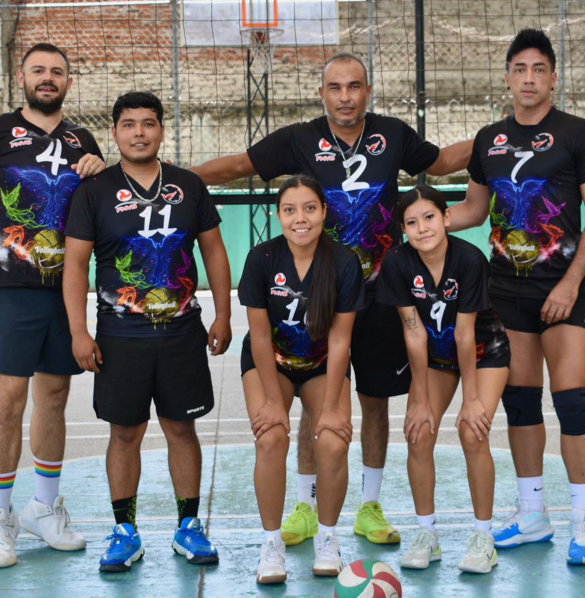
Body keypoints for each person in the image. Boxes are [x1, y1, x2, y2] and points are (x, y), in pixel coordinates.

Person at [192, 52, 473, 546]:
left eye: (354, 86)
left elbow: (445, 163)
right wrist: (173, 176)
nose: (345, 97)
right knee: (313, 398)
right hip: (321, 292)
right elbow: (237, 165)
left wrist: (501, 136)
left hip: (382, 294)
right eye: (336, 88)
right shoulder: (300, 139)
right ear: (321, 93)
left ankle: (369, 505)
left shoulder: (393, 135)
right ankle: (305, 505)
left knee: (375, 402)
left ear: (368, 92)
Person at [447, 29, 585, 565]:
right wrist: (423, 221)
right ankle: (532, 514)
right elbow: (474, 211)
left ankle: (584, 524)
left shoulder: (579, 134)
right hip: (506, 293)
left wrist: (571, 282)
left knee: (572, 403)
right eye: (519, 69)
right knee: (520, 404)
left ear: (553, 78)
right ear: (506, 78)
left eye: (538, 69)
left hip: (563, 292)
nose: (528, 78)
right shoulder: (489, 140)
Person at [0, 42, 107, 569]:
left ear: (68, 82)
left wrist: (100, 171)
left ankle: (44, 508)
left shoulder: (82, 139)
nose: (47, 78)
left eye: (57, 71)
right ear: (22, 78)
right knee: (8, 400)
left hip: (65, 289)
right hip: (11, 291)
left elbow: (98, 207)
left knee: (54, 396)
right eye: (39, 70)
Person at [62, 91, 233, 572]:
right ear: (115, 132)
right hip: (120, 336)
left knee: (182, 428)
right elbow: (75, 266)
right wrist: (79, 332)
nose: (139, 132)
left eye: (149, 123)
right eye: (129, 124)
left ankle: (188, 526)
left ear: (161, 130)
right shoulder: (94, 191)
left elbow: (214, 251)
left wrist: (223, 314)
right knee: (124, 433)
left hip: (182, 333)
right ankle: (125, 531)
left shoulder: (188, 185)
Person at [377, 186, 510, 574]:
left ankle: (483, 539)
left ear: (446, 217)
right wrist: (419, 399)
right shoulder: (397, 263)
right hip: (436, 354)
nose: (422, 228)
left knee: (473, 431)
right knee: (418, 431)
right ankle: (427, 535)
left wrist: (471, 399)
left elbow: (465, 334)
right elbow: (414, 332)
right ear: (403, 230)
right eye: (412, 222)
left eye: (429, 217)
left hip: (483, 351)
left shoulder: (469, 260)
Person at [239, 175, 364, 584]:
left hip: (321, 361)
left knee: (332, 440)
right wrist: (273, 403)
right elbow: (259, 336)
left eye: (310, 208)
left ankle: (327, 538)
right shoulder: (261, 258)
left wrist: (330, 410)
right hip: (270, 361)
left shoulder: (343, 262)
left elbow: (341, 340)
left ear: (324, 212)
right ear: (278, 215)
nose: (300, 218)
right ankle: (271, 545)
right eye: (290, 210)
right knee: (270, 436)